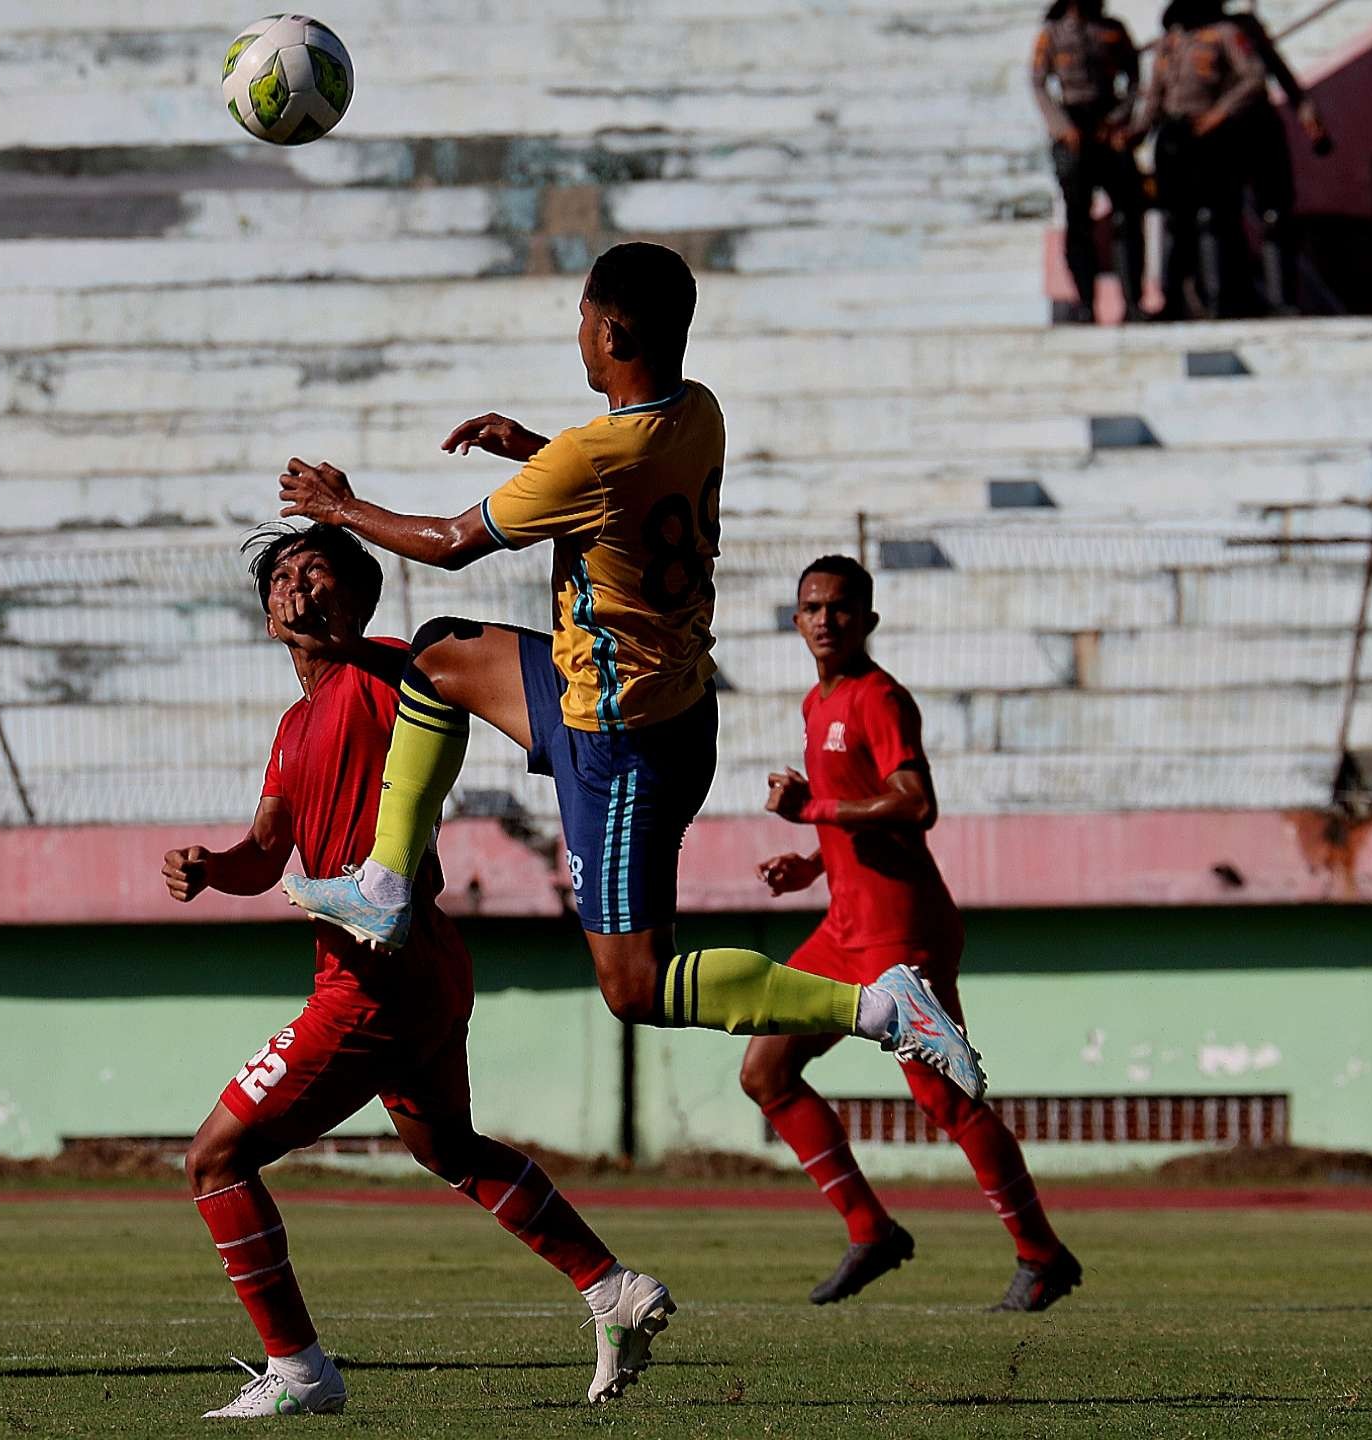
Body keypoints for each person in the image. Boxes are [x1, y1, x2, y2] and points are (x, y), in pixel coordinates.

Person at [271, 242, 985, 1101]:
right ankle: (385, 884)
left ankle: (879, 1009)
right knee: (437, 656)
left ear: (610, 332)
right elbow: (620, 487)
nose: (575, 332)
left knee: (635, 986)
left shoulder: (591, 459)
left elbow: (452, 544)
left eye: (580, 316)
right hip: (642, 699)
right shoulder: (699, 412)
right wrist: (535, 449)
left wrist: (335, 506)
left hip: (621, 748)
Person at [170, 523, 675, 1416]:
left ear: (360, 597)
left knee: (215, 1159)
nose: (299, 591)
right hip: (424, 965)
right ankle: (610, 1288)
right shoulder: (293, 726)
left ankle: (299, 1374)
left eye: (317, 572)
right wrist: (215, 866)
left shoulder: (396, 670)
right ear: (268, 619)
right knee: (448, 1147)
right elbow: (266, 849)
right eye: (282, 581)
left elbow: (482, 678)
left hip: (374, 977)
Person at [742, 557, 1084, 1313]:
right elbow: (852, 813)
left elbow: (915, 802)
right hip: (845, 924)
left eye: (839, 607)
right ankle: (871, 1230)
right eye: (811, 607)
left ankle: (1042, 1254)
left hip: (902, 929)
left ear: (867, 620)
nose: (825, 619)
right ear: (795, 620)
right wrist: (811, 863)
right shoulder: (815, 702)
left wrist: (816, 818)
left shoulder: (879, 697)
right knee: (766, 1071)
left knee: (946, 1102)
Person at [1139, 0, 1269, 319]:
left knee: (1217, 218)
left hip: (1213, 138)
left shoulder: (1225, 34)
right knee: (1176, 222)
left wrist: (1219, 114)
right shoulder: (1169, 43)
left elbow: (1252, 78)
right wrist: (1136, 133)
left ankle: (1222, 299)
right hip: (1174, 138)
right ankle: (1172, 300)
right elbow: (1155, 95)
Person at [1031, 0, 1147, 324]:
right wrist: (1061, 127)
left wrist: (1121, 119)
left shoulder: (1114, 30)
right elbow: (1039, 82)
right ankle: (1084, 303)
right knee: (1078, 221)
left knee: (1127, 216)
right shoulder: (1052, 35)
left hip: (1108, 129)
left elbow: (1135, 78)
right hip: (1073, 132)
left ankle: (1132, 301)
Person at [1225, 1, 1336, 314]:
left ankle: (1281, 299)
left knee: (1275, 217)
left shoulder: (1244, 30)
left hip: (1258, 131)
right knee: (1220, 221)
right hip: (1215, 140)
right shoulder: (1186, 35)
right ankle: (1229, 298)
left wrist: (1308, 116)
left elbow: (1281, 75)